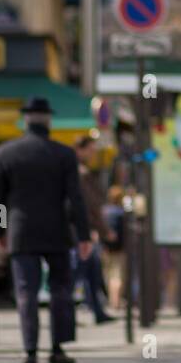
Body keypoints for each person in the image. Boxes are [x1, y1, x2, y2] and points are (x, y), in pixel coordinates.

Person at [0, 97, 91, 363]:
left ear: (25, 120)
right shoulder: (64, 154)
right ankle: (57, 349)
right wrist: (84, 235)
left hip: (21, 233)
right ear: (49, 120)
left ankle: (30, 353)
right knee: (61, 290)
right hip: (57, 231)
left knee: (26, 292)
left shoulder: (4, 153)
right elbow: (76, 198)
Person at [75, 136, 115, 324]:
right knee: (82, 271)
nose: (93, 154)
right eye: (90, 150)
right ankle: (90, 310)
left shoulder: (81, 172)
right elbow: (89, 206)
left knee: (91, 271)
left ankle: (97, 310)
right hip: (83, 231)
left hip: (83, 229)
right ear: (80, 149)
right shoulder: (81, 174)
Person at [101, 184, 128, 312]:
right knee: (117, 276)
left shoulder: (104, 211)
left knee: (108, 275)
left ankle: (112, 301)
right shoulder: (121, 213)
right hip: (119, 249)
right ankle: (116, 301)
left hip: (105, 249)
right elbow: (124, 233)